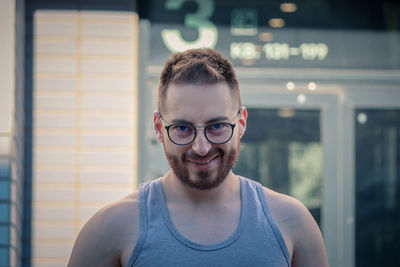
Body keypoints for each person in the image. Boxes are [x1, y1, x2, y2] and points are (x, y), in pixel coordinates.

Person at [68, 48, 329, 267]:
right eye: (182, 128)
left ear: (241, 122)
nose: (201, 147)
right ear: (159, 128)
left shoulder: (293, 222)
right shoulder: (111, 228)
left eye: (217, 126)